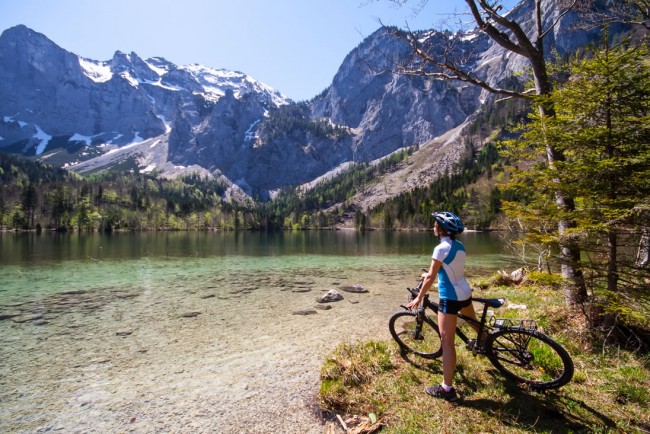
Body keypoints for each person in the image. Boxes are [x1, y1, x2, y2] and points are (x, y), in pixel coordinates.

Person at [406, 211, 478, 402]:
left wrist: (419, 298)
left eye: (435, 225)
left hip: (450, 297)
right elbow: (448, 269)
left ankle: (447, 389)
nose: (433, 227)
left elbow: (431, 276)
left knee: (447, 343)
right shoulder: (460, 246)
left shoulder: (440, 249)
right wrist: (429, 275)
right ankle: (487, 345)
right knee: (474, 323)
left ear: (440, 229)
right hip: (465, 292)